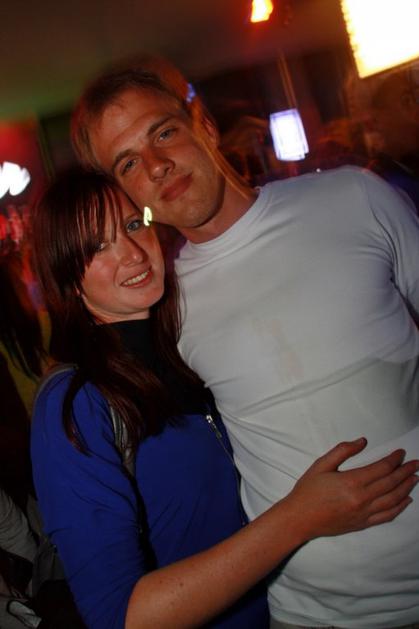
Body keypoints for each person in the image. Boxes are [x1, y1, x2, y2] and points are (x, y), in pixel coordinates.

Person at [70, 61, 419, 628]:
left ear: (203, 124)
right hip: (314, 615)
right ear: (125, 190)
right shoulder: (165, 306)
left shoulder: (355, 197)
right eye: (128, 162)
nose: (156, 166)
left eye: (164, 132)